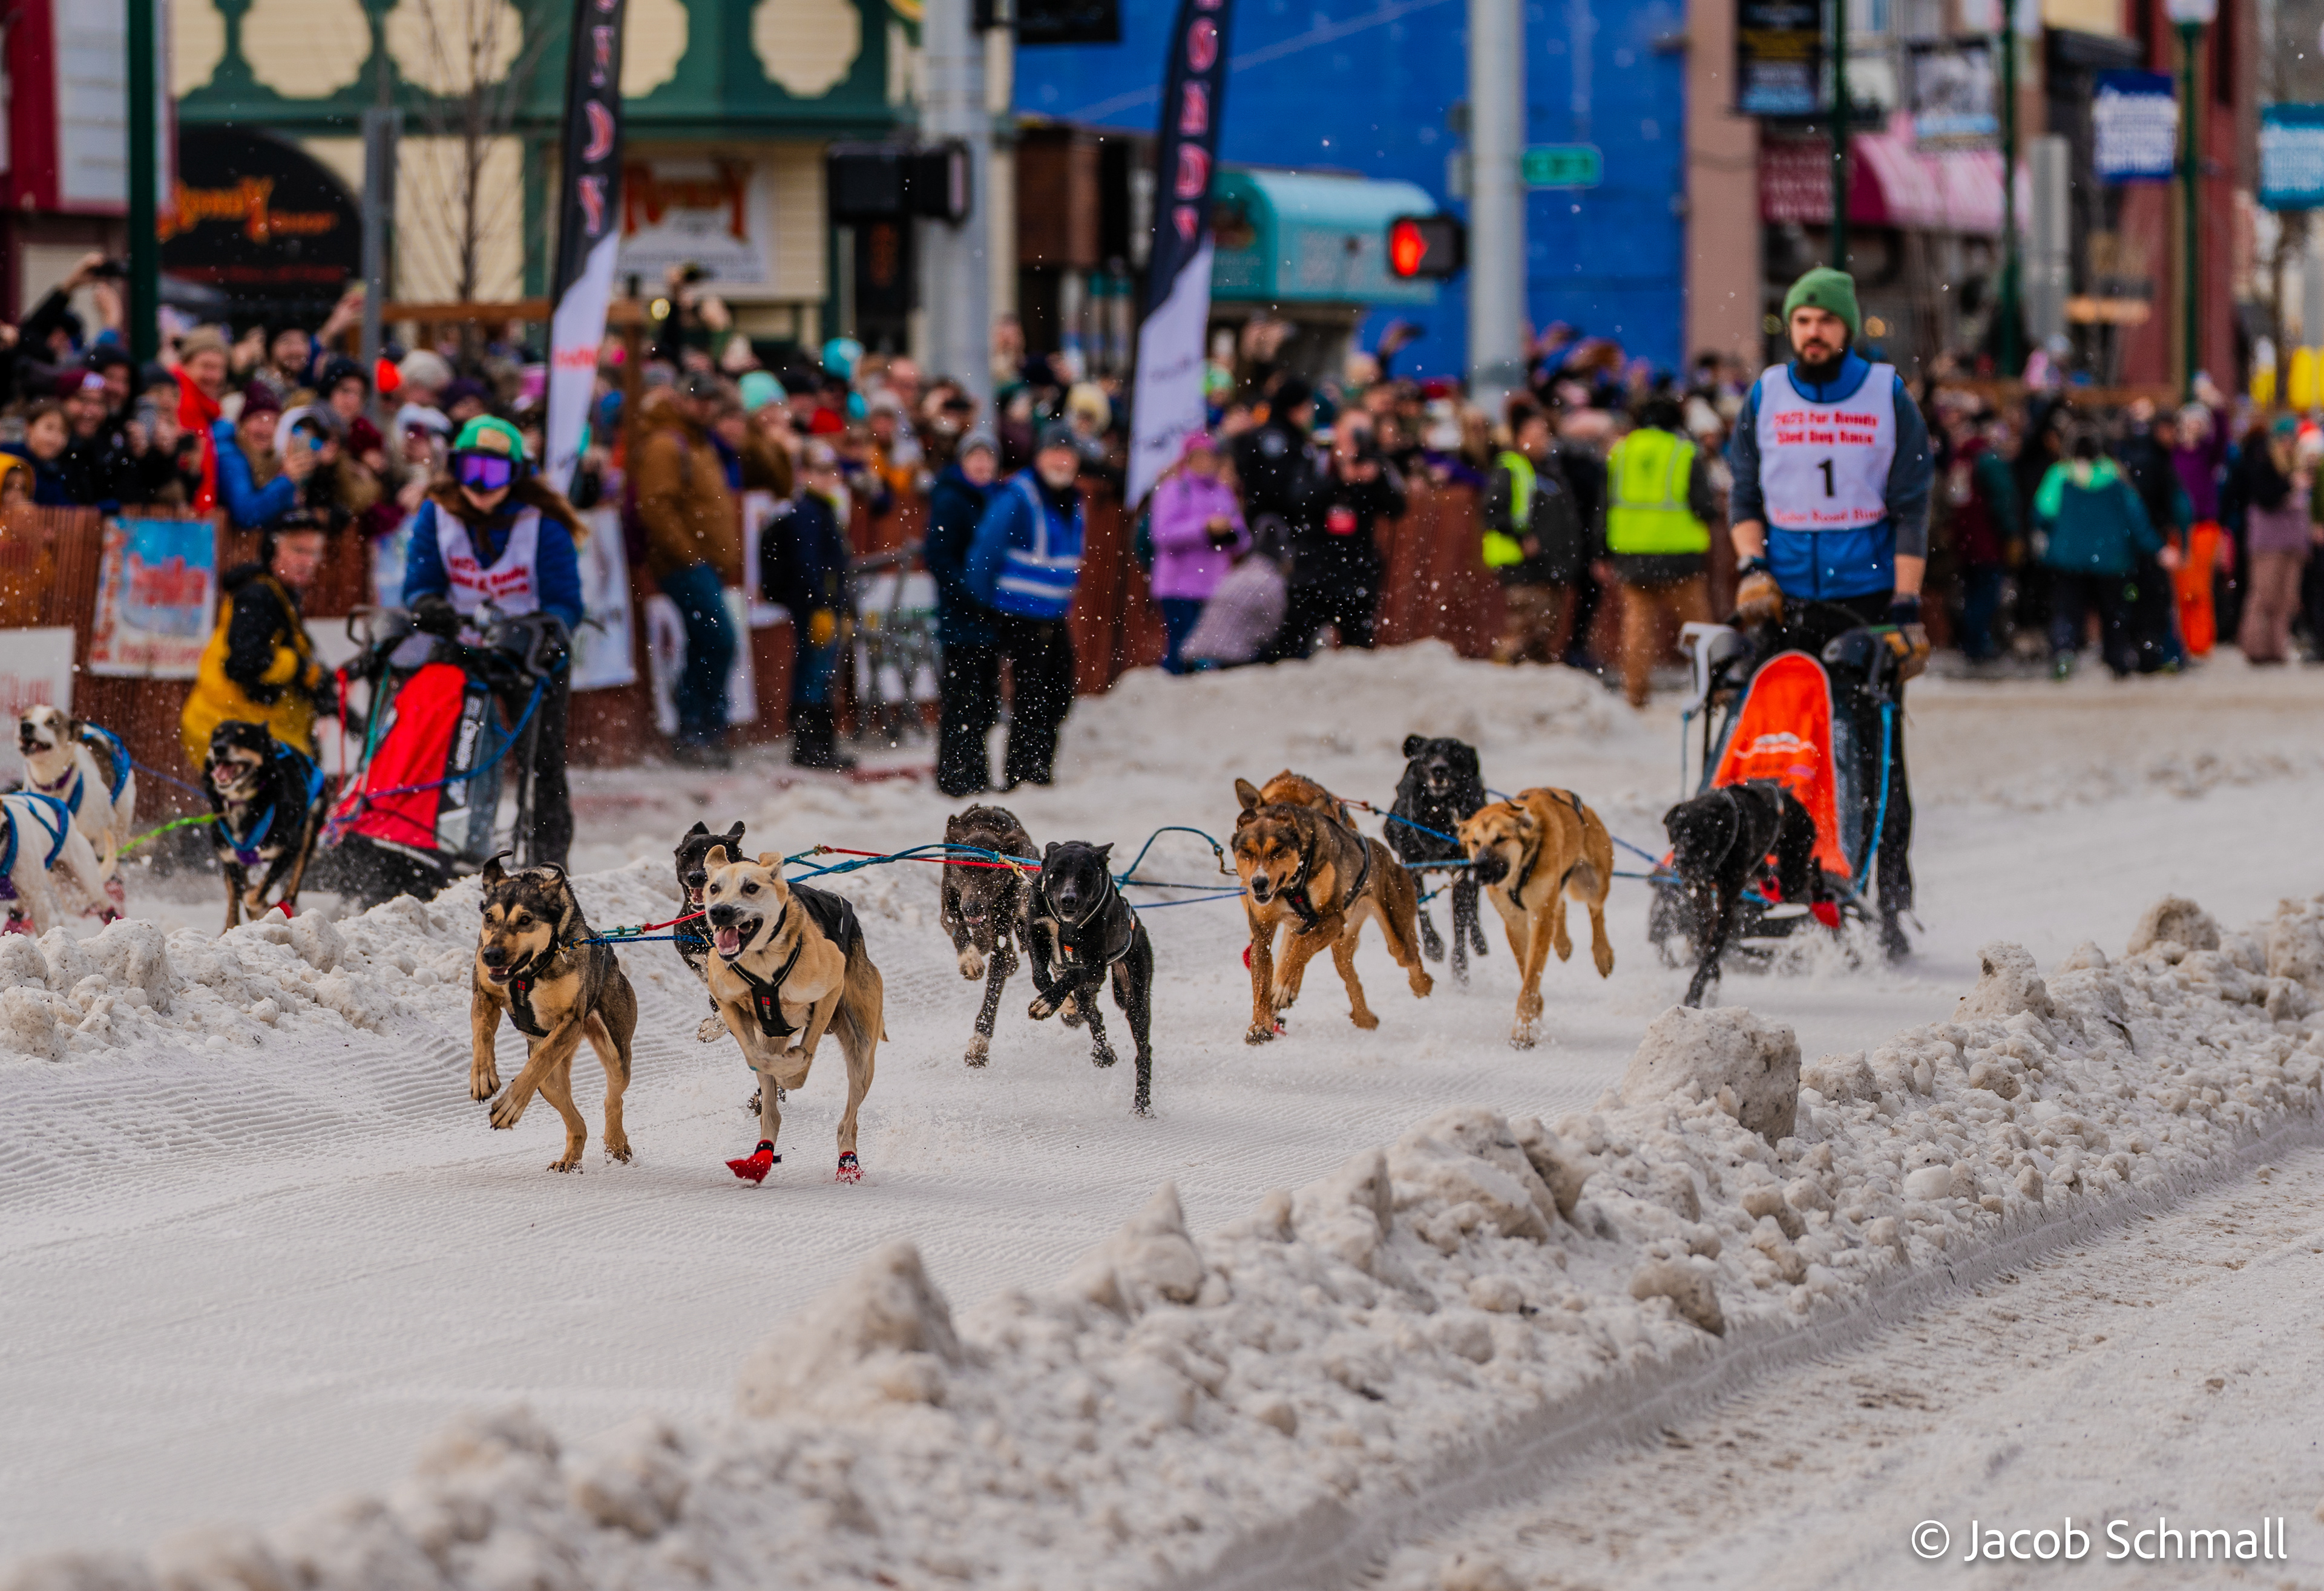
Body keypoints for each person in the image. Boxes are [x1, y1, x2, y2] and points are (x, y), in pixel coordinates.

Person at [1725, 265, 1933, 960]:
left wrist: (1906, 605)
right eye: (1803, 320)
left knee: (1876, 752)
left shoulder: (1886, 394)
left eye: (1826, 320)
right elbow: (1744, 494)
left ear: (1847, 326)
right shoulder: (1766, 394)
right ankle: (1754, 880)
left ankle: (1890, 901)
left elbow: (1912, 505)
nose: (1813, 332)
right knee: (1767, 740)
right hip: (1782, 599)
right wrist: (1752, 567)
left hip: (1866, 601)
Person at [399, 418, 585, 867]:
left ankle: (547, 859)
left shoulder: (543, 522)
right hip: (461, 648)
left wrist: (548, 630)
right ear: (455, 468)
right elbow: (420, 582)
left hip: (530, 654)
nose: (481, 485)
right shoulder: (437, 514)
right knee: (445, 742)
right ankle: (436, 842)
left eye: (495, 472)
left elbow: (566, 601)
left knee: (541, 759)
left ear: (516, 474)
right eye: (472, 470)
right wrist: (427, 603)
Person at [630, 372, 791, 766]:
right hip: (685, 564)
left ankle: (701, 731)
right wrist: (688, 554)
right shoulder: (668, 444)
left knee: (707, 643)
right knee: (719, 641)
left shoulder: (700, 442)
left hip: (703, 563)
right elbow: (657, 507)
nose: (706, 407)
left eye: (710, 400)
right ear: (681, 401)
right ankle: (697, 730)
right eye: (698, 399)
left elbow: (775, 479)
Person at [965, 422, 1085, 789]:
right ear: (1039, 456)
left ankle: (1040, 767)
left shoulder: (1072, 500)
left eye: (1068, 453)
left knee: (1059, 692)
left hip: (1054, 613)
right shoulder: (1019, 496)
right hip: (1018, 612)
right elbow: (985, 551)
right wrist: (983, 604)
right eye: (1055, 452)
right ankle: (1022, 771)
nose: (1062, 461)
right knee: (1030, 694)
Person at [180, 511, 335, 767]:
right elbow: (244, 663)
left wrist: (317, 683)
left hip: (250, 731)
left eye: (315, 553)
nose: (308, 562)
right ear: (272, 549)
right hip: (232, 728)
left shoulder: (279, 594)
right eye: (298, 551)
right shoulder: (259, 596)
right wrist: (298, 667)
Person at [1603, 393, 1716, 708]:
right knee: (1698, 627)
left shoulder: (1621, 452)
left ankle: (1635, 694)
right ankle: (1713, 688)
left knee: (1637, 627)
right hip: (1679, 553)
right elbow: (1704, 505)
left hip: (1633, 552)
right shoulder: (1684, 452)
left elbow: (1605, 502)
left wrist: (1602, 551)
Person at [2034, 430, 2171, 678]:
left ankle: (2064, 653)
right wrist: (2156, 548)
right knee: (2113, 613)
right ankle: (2117, 659)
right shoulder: (2115, 477)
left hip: (2068, 557)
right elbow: (2136, 518)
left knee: (2067, 611)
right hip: (2111, 558)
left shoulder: (2059, 474)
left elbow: (2042, 513)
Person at [765, 441, 856, 770]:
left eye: (832, 470)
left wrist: (843, 606)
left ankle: (820, 745)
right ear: (804, 474)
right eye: (820, 471)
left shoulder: (823, 509)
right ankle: (809, 747)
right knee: (815, 672)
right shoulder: (806, 512)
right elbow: (808, 565)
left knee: (823, 672)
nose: (828, 477)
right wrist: (821, 604)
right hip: (815, 606)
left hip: (826, 604)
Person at [925, 431, 1003, 796]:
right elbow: (939, 556)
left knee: (985, 701)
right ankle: (956, 776)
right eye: (976, 456)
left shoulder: (997, 498)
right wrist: (970, 590)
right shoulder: (951, 499)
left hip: (988, 615)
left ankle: (976, 772)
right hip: (962, 616)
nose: (982, 464)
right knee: (962, 700)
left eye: (988, 457)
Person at [1281, 429, 1403, 655]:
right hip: (1313, 574)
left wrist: (1375, 479)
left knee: (1357, 653)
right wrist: (1339, 480)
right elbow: (1299, 499)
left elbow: (1397, 507)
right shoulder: (1316, 458)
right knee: (1292, 648)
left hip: (1356, 575)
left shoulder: (1375, 463)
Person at [1483, 406, 1586, 666]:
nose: (1544, 440)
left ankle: (1531, 682)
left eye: (1545, 434)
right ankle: (1499, 676)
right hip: (1524, 566)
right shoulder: (1510, 468)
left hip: (1550, 566)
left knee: (1544, 634)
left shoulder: (1550, 471)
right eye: (1537, 435)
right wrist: (1522, 537)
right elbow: (1493, 512)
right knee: (1522, 631)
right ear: (1520, 438)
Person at [1146, 431, 1248, 672]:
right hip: (1178, 586)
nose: (1205, 462)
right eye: (1199, 457)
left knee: (1207, 655)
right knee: (1180, 651)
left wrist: (1227, 533)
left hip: (1213, 587)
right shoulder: (1175, 489)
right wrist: (1204, 528)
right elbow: (1162, 534)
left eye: (1209, 457)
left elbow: (1243, 539)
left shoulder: (1222, 492)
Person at [1948, 411, 2021, 665]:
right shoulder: (1988, 460)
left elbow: (1956, 501)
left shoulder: (1961, 460)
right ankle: (1979, 644)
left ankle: (1971, 643)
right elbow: (2004, 502)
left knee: (1972, 594)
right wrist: (2011, 533)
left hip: (1966, 540)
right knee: (1985, 595)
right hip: (1986, 540)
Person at [2236, 416, 2309, 664]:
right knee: (2263, 595)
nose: (2288, 444)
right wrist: (2289, 486)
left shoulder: (2296, 466)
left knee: (2286, 598)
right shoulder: (2263, 463)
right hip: (2268, 542)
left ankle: (2277, 647)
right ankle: (2255, 647)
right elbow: (2264, 497)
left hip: (2293, 542)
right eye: (2284, 439)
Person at [211, 384, 317, 531]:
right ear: (242, 423)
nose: (266, 430)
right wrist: (286, 479)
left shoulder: (268, 460)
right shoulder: (230, 459)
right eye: (259, 419)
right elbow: (247, 515)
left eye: (273, 421)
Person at [1181, 530, 1290, 670]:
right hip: (1229, 658)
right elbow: (1272, 630)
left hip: (1193, 653)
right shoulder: (1272, 581)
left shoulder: (1235, 573)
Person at [5, 401, 76, 505]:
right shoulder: (7, 455)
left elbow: (60, 507)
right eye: (49, 428)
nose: (55, 438)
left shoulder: (52, 470)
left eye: (63, 432)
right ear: (29, 427)